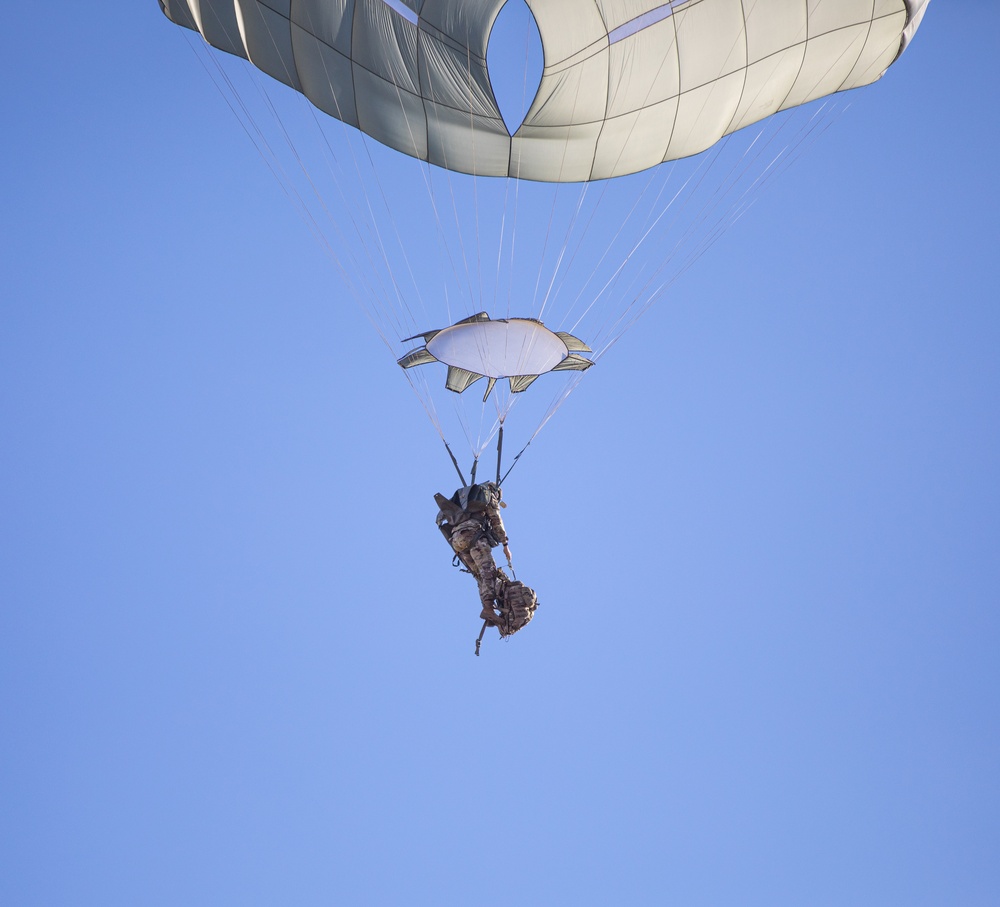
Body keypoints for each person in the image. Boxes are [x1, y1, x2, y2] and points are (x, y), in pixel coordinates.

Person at [434, 481, 512, 626]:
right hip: (473, 536)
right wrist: (505, 544)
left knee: (480, 576)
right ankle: (488, 608)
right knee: (489, 571)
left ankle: (488, 610)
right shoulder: (488, 497)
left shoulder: (465, 502)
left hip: (457, 541)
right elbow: (496, 520)